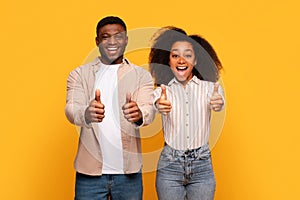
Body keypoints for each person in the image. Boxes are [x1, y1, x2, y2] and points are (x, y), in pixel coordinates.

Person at [65, 16, 155, 200]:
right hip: (89, 174)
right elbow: (71, 108)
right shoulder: (80, 74)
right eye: (105, 37)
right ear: (97, 41)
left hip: (128, 174)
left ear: (126, 40)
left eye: (118, 36)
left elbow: (149, 109)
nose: (112, 41)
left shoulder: (141, 76)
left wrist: (139, 115)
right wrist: (86, 114)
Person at [149, 27, 225, 200]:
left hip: (202, 164)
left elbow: (219, 102)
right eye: (175, 55)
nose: (181, 60)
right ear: (168, 60)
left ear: (196, 60)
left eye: (187, 55)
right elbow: (153, 104)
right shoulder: (162, 91)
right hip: (170, 165)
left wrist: (218, 102)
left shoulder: (209, 88)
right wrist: (158, 105)